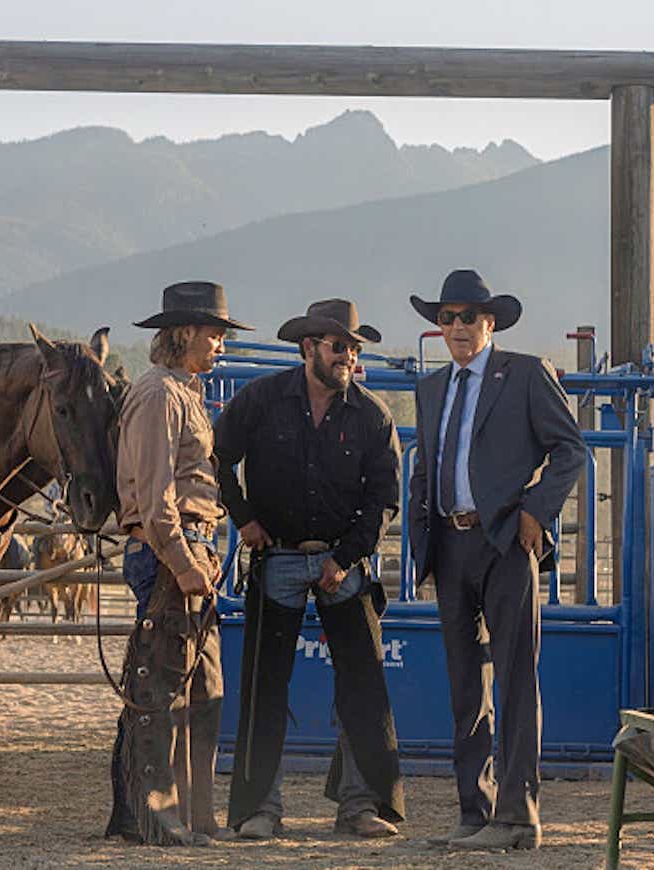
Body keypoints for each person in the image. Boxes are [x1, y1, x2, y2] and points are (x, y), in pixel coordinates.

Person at [407, 269, 587, 851]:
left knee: (513, 677)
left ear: (490, 322)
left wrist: (535, 514)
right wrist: (421, 542)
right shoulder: (432, 388)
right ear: (439, 326)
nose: (457, 327)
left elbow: (571, 450)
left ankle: (517, 815)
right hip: (449, 543)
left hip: (507, 540)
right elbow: (425, 468)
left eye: (468, 317)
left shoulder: (526, 375)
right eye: (447, 317)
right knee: (467, 686)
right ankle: (475, 812)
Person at [215, 299, 406, 841]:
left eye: (353, 347)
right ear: (308, 349)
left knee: (363, 684)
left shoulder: (372, 414)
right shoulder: (261, 400)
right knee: (265, 685)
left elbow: (383, 500)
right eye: (338, 345)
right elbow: (218, 456)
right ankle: (260, 808)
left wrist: (345, 558)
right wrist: (244, 517)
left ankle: (361, 806)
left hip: (342, 561)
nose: (348, 355)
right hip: (275, 554)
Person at [105, 281, 251, 847]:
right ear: (185, 333)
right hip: (174, 552)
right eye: (215, 333)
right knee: (165, 686)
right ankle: (159, 816)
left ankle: (185, 815)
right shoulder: (161, 395)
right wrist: (184, 559)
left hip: (189, 550)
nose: (220, 343)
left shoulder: (178, 392)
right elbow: (155, 488)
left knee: (197, 686)